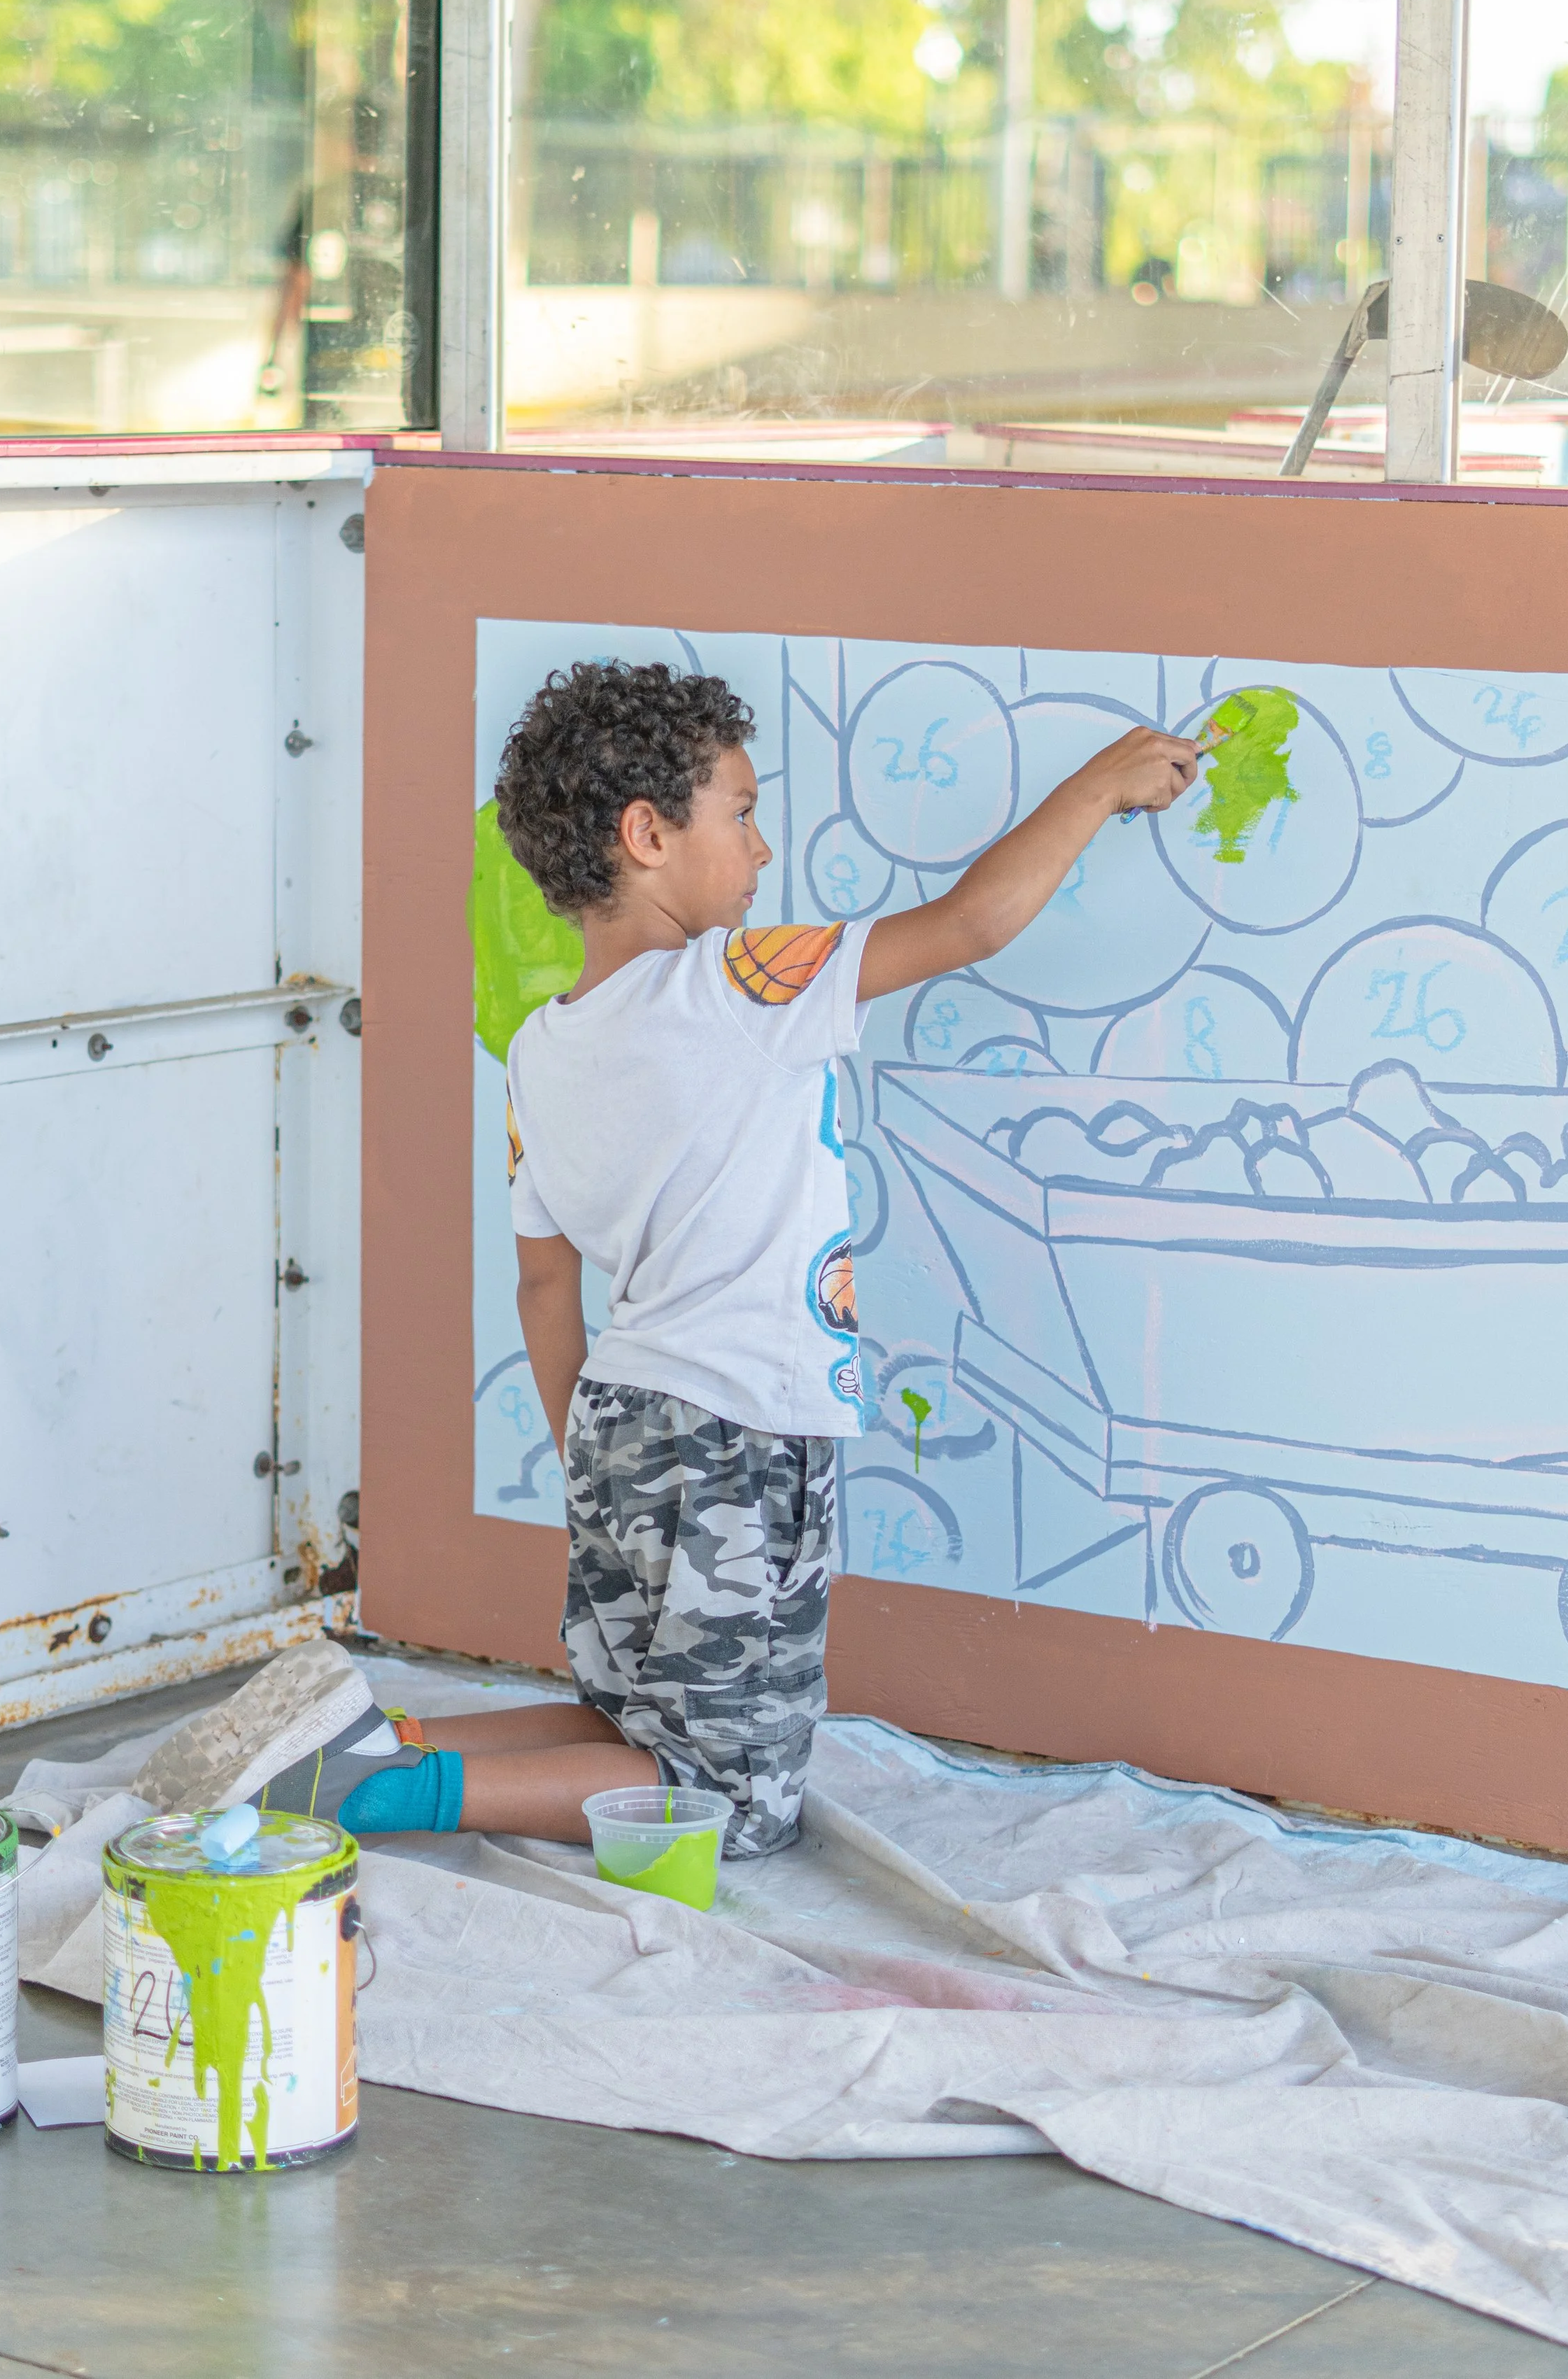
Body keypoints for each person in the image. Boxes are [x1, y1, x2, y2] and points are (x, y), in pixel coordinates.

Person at [134, 662, 1196, 1852]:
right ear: (647, 835)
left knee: (627, 1713)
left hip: (619, 1419)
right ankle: (375, 1794)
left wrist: (592, 1457)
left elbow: (546, 1282)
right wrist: (1101, 787)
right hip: (739, 1428)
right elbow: (969, 924)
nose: (763, 845)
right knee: (727, 1799)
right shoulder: (738, 989)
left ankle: (368, 1738)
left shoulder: (540, 1050)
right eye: (740, 813)